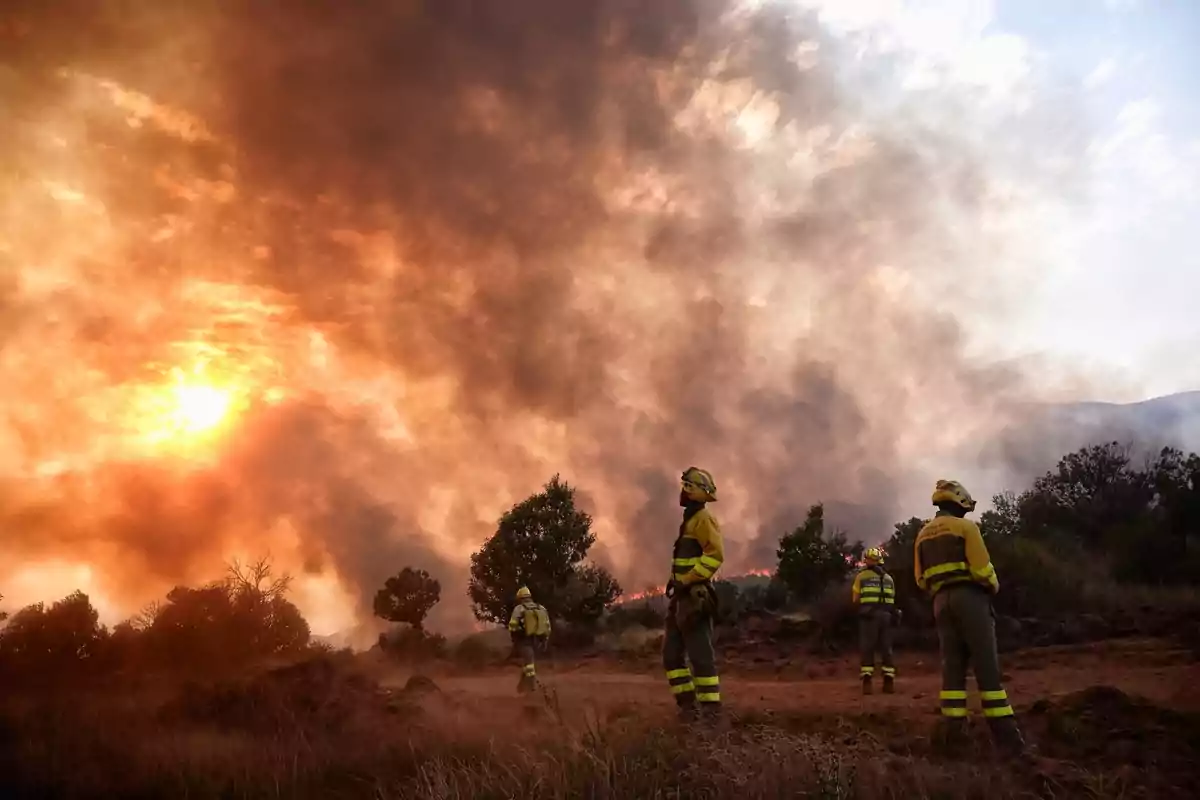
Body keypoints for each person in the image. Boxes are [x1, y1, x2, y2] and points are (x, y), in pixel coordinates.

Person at [914, 479, 1027, 757]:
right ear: (960, 502)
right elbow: (981, 570)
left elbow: (920, 579)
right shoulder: (966, 528)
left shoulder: (922, 534)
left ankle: (953, 735)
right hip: (970, 599)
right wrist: (993, 587)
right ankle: (1008, 740)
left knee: (952, 669)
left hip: (940, 603)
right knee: (987, 668)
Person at [663, 466, 725, 721]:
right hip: (681, 596)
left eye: (686, 488)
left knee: (701, 657)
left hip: (694, 598)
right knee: (671, 656)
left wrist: (687, 580)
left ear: (694, 492)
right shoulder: (690, 519)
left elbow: (715, 556)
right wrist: (674, 580)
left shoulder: (702, 520)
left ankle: (711, 714)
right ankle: (688, 709)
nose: (682, 493)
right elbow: (686, 559)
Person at [851, 546, 898, 694]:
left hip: (869, 617)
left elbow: (855, 599)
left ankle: (867, 682)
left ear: (867, 561)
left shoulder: (861, 577)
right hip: (887, 616)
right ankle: (889, 683)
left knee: (867, 647)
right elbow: (892, 599)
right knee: (886, 648)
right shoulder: (889, 578)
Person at [507, 586, 551, 694]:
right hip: (538, 641)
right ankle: (521, 687)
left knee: (529, 667)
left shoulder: (519, 609)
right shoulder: (541, 608)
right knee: (528, 662)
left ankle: (532, 688)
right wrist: (545, 641)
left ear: (520, 598)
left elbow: (512, 626)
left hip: (524, 641)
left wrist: (515, 639)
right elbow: (548, 627)